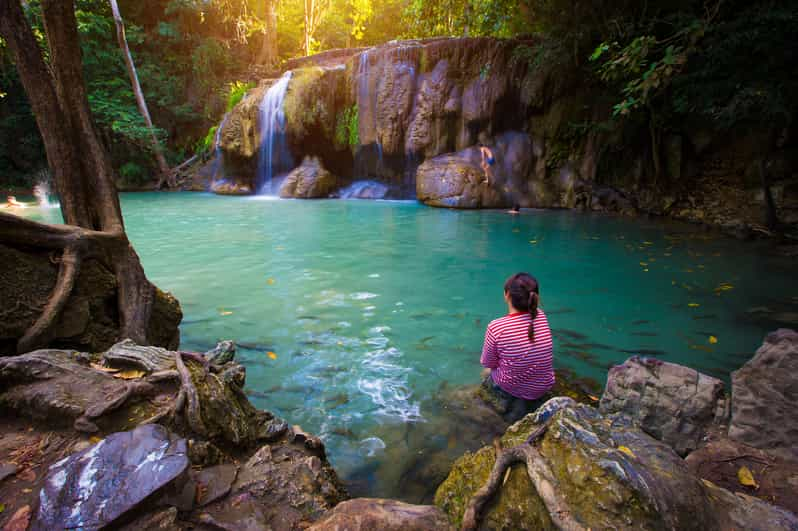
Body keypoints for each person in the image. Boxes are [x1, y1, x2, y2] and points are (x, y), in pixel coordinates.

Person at [480, 272, 554, 420]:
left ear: (507, 295)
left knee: (486, 372)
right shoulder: (541, 315)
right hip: (543, 385)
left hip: (512, 388)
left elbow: (488, 363)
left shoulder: (496, 327)